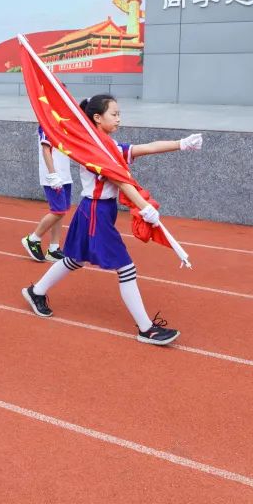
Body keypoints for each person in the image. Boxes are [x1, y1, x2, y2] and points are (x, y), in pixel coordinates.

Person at [21, 94, 203, 346]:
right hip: (95, 212)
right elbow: (119, 180)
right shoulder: (93, 150)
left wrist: (181, 144)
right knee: (126, 268)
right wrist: (144, 206)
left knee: (75, 259)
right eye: (114, 114)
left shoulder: (110, 146)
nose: (119, 118)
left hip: (99, 211)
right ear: (97, 117)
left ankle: (35, 291)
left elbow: (147, 147)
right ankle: (146, 329)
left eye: (119, 114)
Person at [21, 124, 73, 262]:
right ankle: (33, 239)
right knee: (58, 211)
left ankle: (54, 248)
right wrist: (53, 174)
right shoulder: (47, 123)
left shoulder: (64, 122)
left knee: (62, 211)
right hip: (52, 176)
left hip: (65, 174)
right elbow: (46, 149)